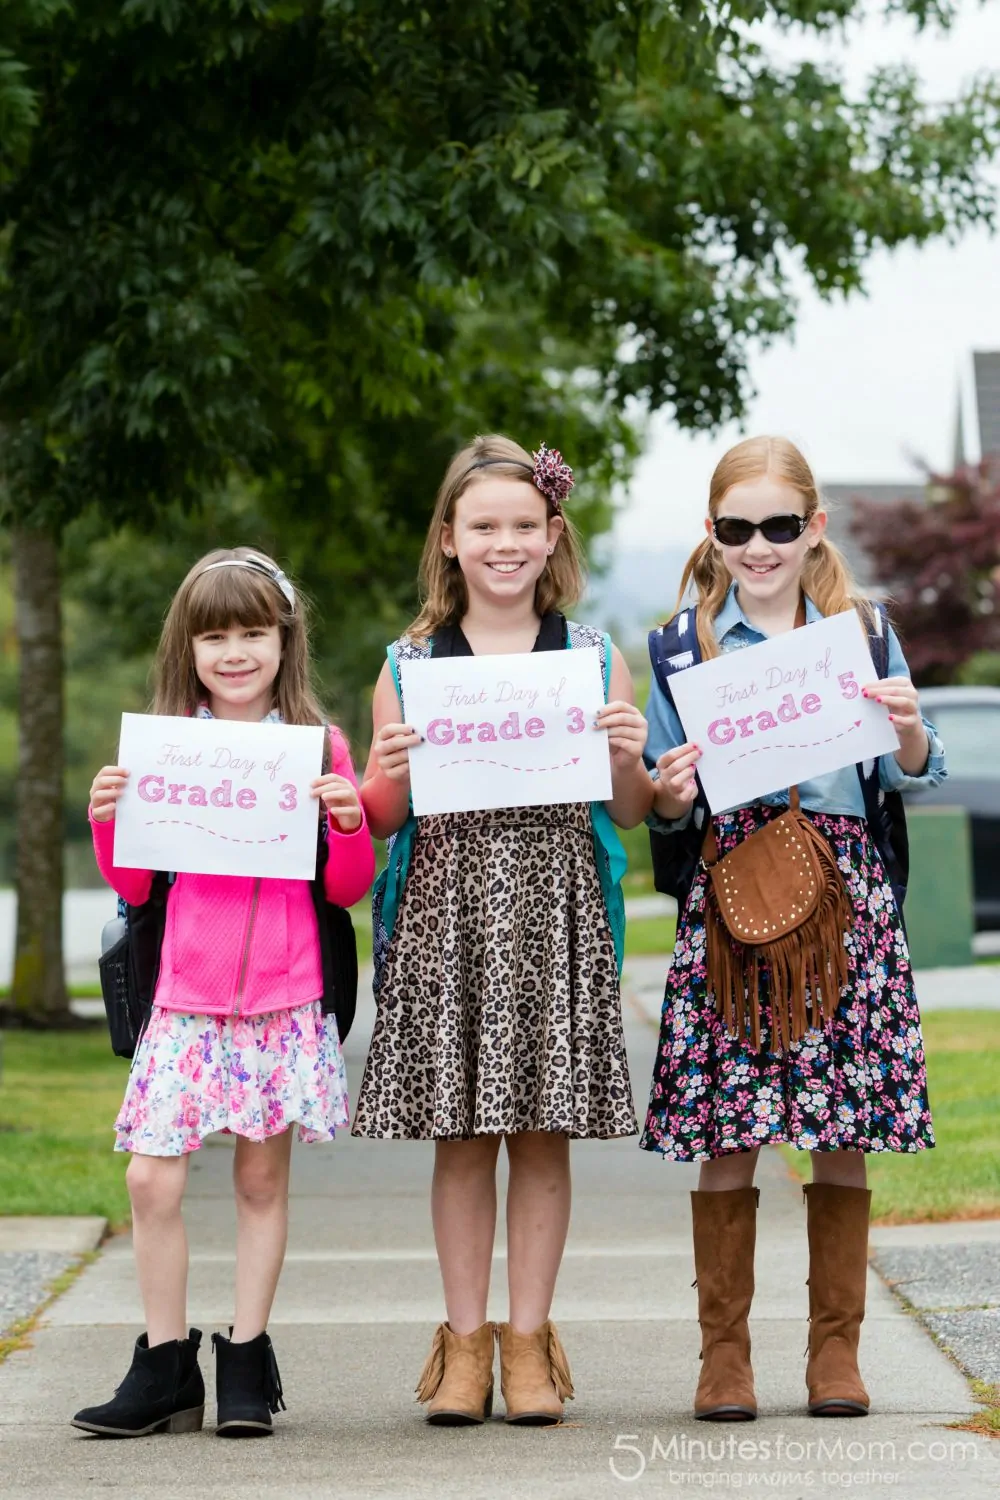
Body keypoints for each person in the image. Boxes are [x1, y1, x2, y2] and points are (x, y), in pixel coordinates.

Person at [641, 435, 945, 1423]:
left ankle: (834, 1357)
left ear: (813, 529)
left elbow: (915, 765)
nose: (759, 546)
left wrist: (903, 724)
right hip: (732, 893)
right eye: (738, 529)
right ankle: (722, 1361)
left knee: (840, 1127)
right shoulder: (681, 647)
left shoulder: (861, 630)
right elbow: (657, 801)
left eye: (779, 526)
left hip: (844, 893)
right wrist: (666, 789)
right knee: (728, 1126)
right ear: (713, 536)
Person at [353, 435, 648, 1426]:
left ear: (551, 535)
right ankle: (464, 1344)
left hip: (557, 908)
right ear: (449, 539)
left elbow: (633, 810)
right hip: (448, 915)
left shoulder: (592, 656)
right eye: (484, 527)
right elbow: (382, 817)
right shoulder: (406, 663)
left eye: (524, 526)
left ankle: (529, 1345)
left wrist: (627, 753)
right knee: (463, 1138)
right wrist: (384, 766)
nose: (505, 543)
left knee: (543, 1135)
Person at [73, 547, 375, 1440]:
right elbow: (133, 887)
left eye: (253, 632)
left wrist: (349, 821)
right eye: (216, 636)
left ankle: (246, 1358)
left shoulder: (319, 748)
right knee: (152, 1181)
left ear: (285, 641)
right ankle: (164, 1365)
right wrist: (107, 816)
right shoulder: (167, 745)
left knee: (257, 1181)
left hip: (283, 1002)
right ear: (189, 648)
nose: (235, 651)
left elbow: (345, 887)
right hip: (186, 1002)